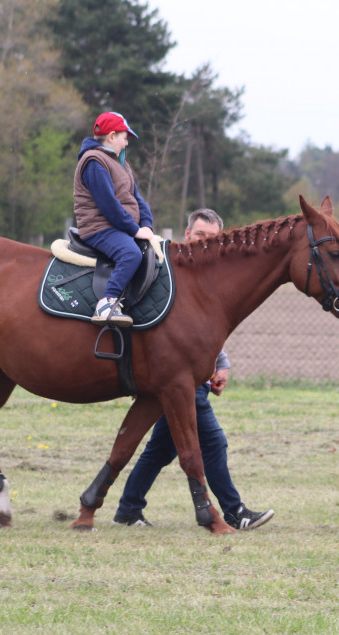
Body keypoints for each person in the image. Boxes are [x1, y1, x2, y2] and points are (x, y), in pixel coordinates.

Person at [112, 209, 274, 531]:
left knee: (162, 447)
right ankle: (234, 511)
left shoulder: (208, 277)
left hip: (191, 374)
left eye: (212, 237)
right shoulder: (168, 269)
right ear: (187, 234)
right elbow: (179, 334)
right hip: (176, 376)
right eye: (201, 235)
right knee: (212, 441)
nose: (206, 242)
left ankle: (128, 508)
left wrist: (221, 363)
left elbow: (202, 333)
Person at [73, 111, 156, 326]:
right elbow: (108, 205)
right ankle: (107, 303)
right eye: (124, 137)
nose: (126, 143)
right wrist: (135, 230)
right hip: (99, 227)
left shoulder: (121, 164)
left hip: (118, 227)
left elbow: (137, 199)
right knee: (130, 253)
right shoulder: (94, 162)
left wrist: (146, 225)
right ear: (111, 136)